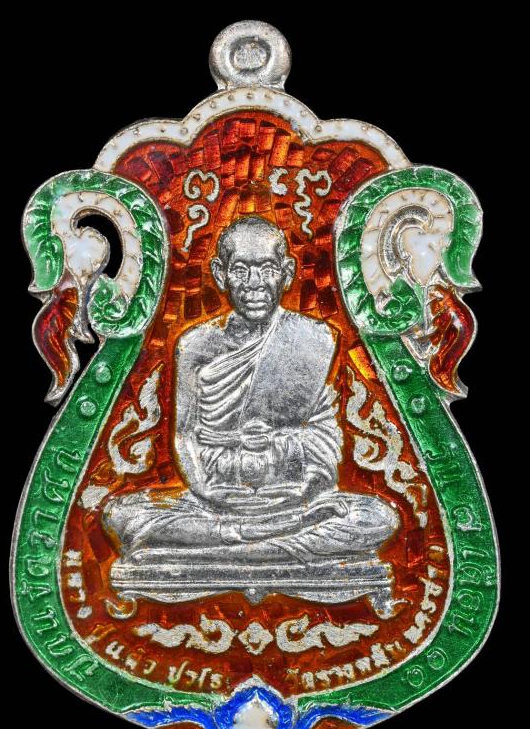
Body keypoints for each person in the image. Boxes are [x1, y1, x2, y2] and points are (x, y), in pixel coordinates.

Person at [104, 216, 400, 612]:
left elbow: (326, 439)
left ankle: (231, 546)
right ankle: (268, 541)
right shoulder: (196, 345)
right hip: (213, 499)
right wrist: (206, 490)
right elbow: (185, 436)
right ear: (220, 274)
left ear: (286, 273)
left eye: (267, 269)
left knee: (379, 517)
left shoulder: (313, 340)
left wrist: (289, 459)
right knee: (122, 514)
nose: (254, 283)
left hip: (293, 500)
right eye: (241, 270)